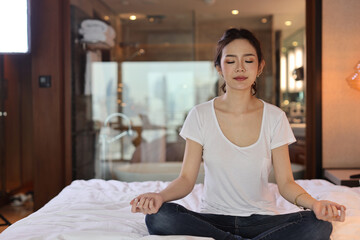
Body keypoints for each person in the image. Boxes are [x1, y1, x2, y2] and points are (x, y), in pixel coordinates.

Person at [129, 28, 346, 240]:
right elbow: (186, 179)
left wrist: (315, 204)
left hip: (262, 219)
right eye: (231, 61)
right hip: (213, 218)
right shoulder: (200, 114)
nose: (240, 68)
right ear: (219, 68)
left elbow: (286, 183)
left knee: (318, 225)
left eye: (248, 61)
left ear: (260, 66)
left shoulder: (275, 117)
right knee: (159, 218)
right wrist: (159, 197)